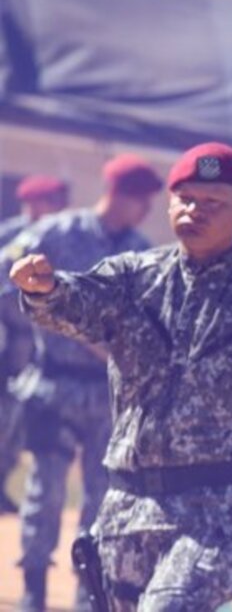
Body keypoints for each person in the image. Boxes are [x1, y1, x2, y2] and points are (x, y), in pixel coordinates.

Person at [10, 142, 232, 611]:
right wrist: (45, 289)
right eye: (185, 199)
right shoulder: (135, 276)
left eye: (212, 203)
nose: (194, 211)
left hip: (216, 515)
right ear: (169, 204)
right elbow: (80, 301)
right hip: (126, 511)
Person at [1, 155, 162, 612]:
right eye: (142, 199)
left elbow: (145, 316)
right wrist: (55, 320)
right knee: (46, 488)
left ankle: (87, 586)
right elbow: (6, 280)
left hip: (108, 391)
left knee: (100, 496)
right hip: (53, 385)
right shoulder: (57, 232)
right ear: (120, 193)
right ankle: (33, 582)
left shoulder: (139, 248)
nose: (146, 209)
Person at [0, 175, 69, 515]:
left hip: (38, 343)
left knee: (16, 421)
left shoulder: (62, 234)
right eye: (50, 201)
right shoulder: (17, 237)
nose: (55, 209)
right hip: (9, 337)